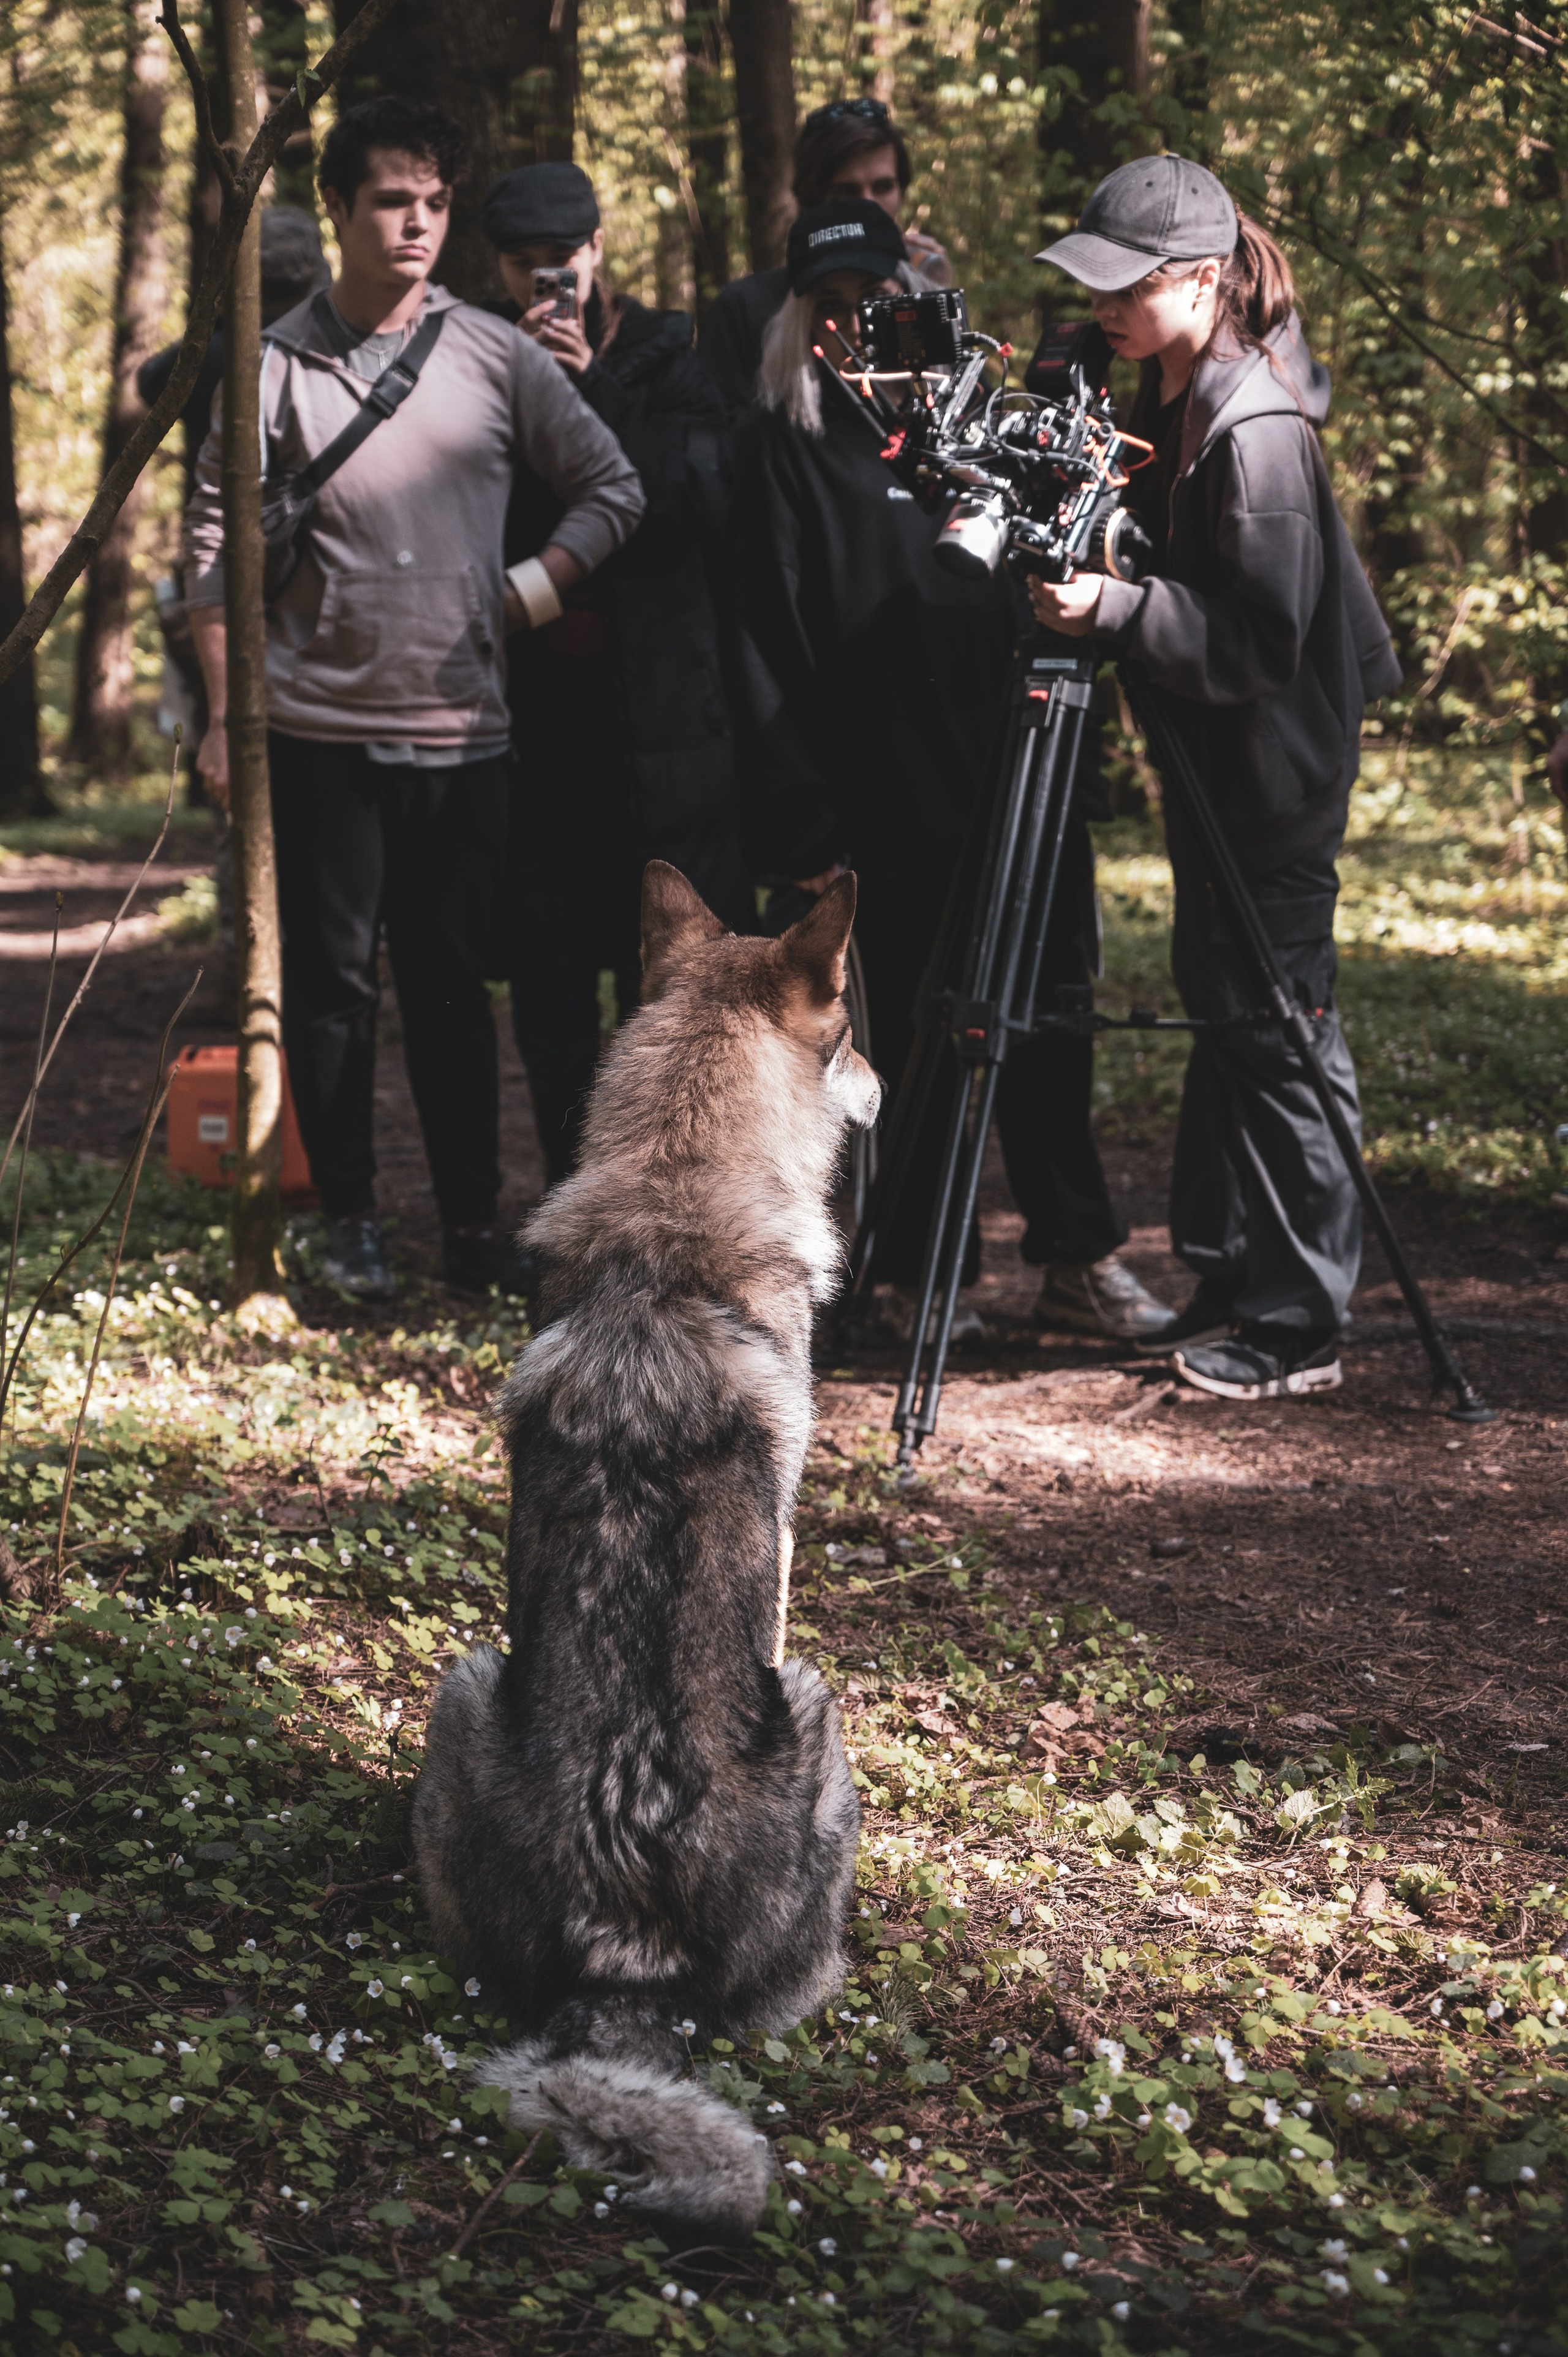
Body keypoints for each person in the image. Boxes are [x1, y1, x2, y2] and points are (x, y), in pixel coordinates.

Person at [183, 98, 644, 1302]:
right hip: (316, 732)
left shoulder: (492, 354)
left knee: (449, 991)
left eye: (436, 204)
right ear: (336, 208)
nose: (418, 223)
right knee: (331, 991)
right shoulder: (273, 361)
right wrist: (225, 725)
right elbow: (208, 559)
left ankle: (471, 1228)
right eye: (393, 200)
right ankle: (349, 1221)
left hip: (461, 737)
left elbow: (610, 487)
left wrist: (530, 592)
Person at [728, 199, 1174, 1342]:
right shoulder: (786, 438)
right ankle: (921, 1274)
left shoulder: (978, 425)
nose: (859, 326)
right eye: (833, 308)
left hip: (1022, 758)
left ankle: (1077, 1252)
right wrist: (801, 814)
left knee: (1050, 1014)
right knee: (919, 1043)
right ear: (804, 319)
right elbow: (763, 637)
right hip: (880, 795)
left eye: (878, 302)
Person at [1030, 154, 1403, 1400]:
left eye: (1121, 288)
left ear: (1198, 282)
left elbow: (1256, 642)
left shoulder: (1259, 436)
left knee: (1279, 1030)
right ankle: (1235, 1271)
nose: (1099, 309)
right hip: (1222, 775)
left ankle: (1299, 1325)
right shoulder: (1168, 387)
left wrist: (1112, 607)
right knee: (1228, 1014)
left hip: (1272, 781)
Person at [480, 161, 749, 1184]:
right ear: (499, 265)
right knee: (552, 993)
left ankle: (676, 1200)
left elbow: (686, 505)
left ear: (597, 247)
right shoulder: (478, 355)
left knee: (674, 988)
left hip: (662, 733)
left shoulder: (671, 351)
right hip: (538, 730)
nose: (549, 282)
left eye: (565, 260)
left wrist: (582, 384)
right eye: (527, 266)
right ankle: (570, 1209)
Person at [699, 97, 951, 421]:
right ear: (809, 196)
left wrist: (931, 298)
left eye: (883, 187)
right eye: (845, 191)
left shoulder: (918, 287)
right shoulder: (746, 308)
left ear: (903, 191)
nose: (868, 206)